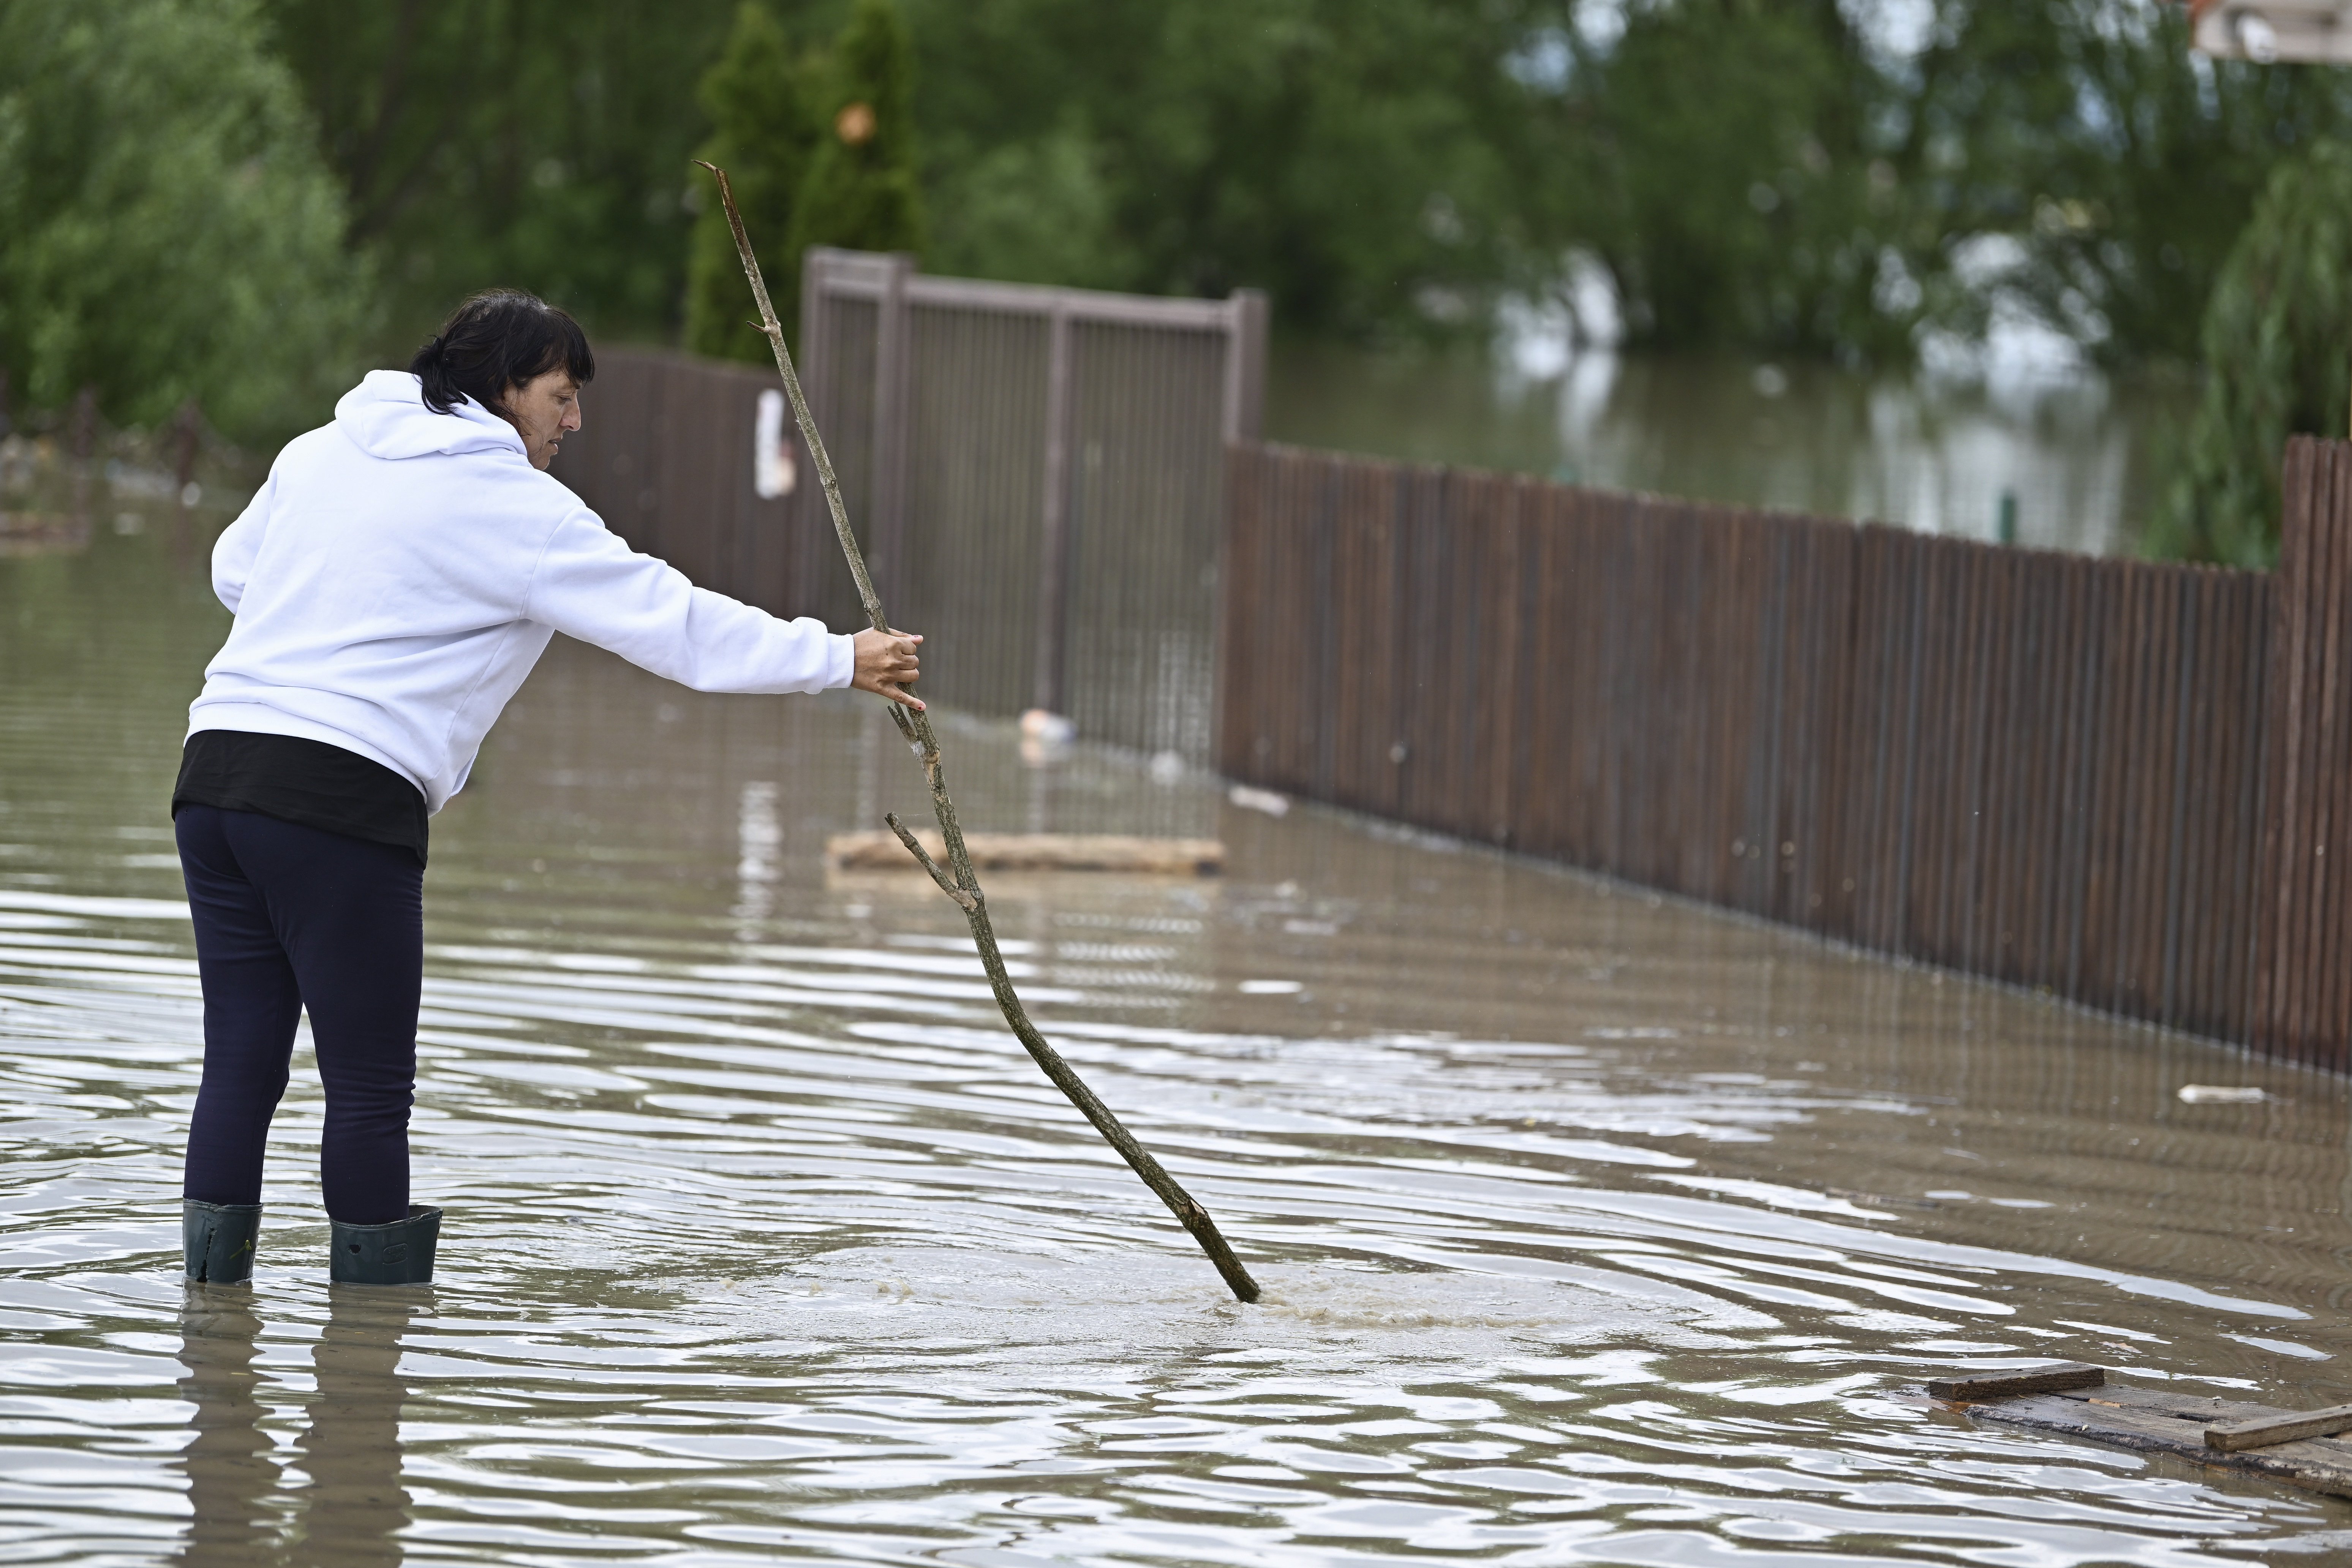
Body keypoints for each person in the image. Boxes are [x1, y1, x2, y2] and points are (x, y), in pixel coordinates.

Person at [172, 289, 922, 1287]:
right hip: (338, 806)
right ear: (504, 385)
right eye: (563, 396)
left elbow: (236, 571)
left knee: (240, 1062)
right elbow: (676, 626)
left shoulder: (322, 451)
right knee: (366, 1091)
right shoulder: (518, 511)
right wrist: (839, 658)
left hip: (215, 774)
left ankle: (208, 1336)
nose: (575, 421)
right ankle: (368, 1376)